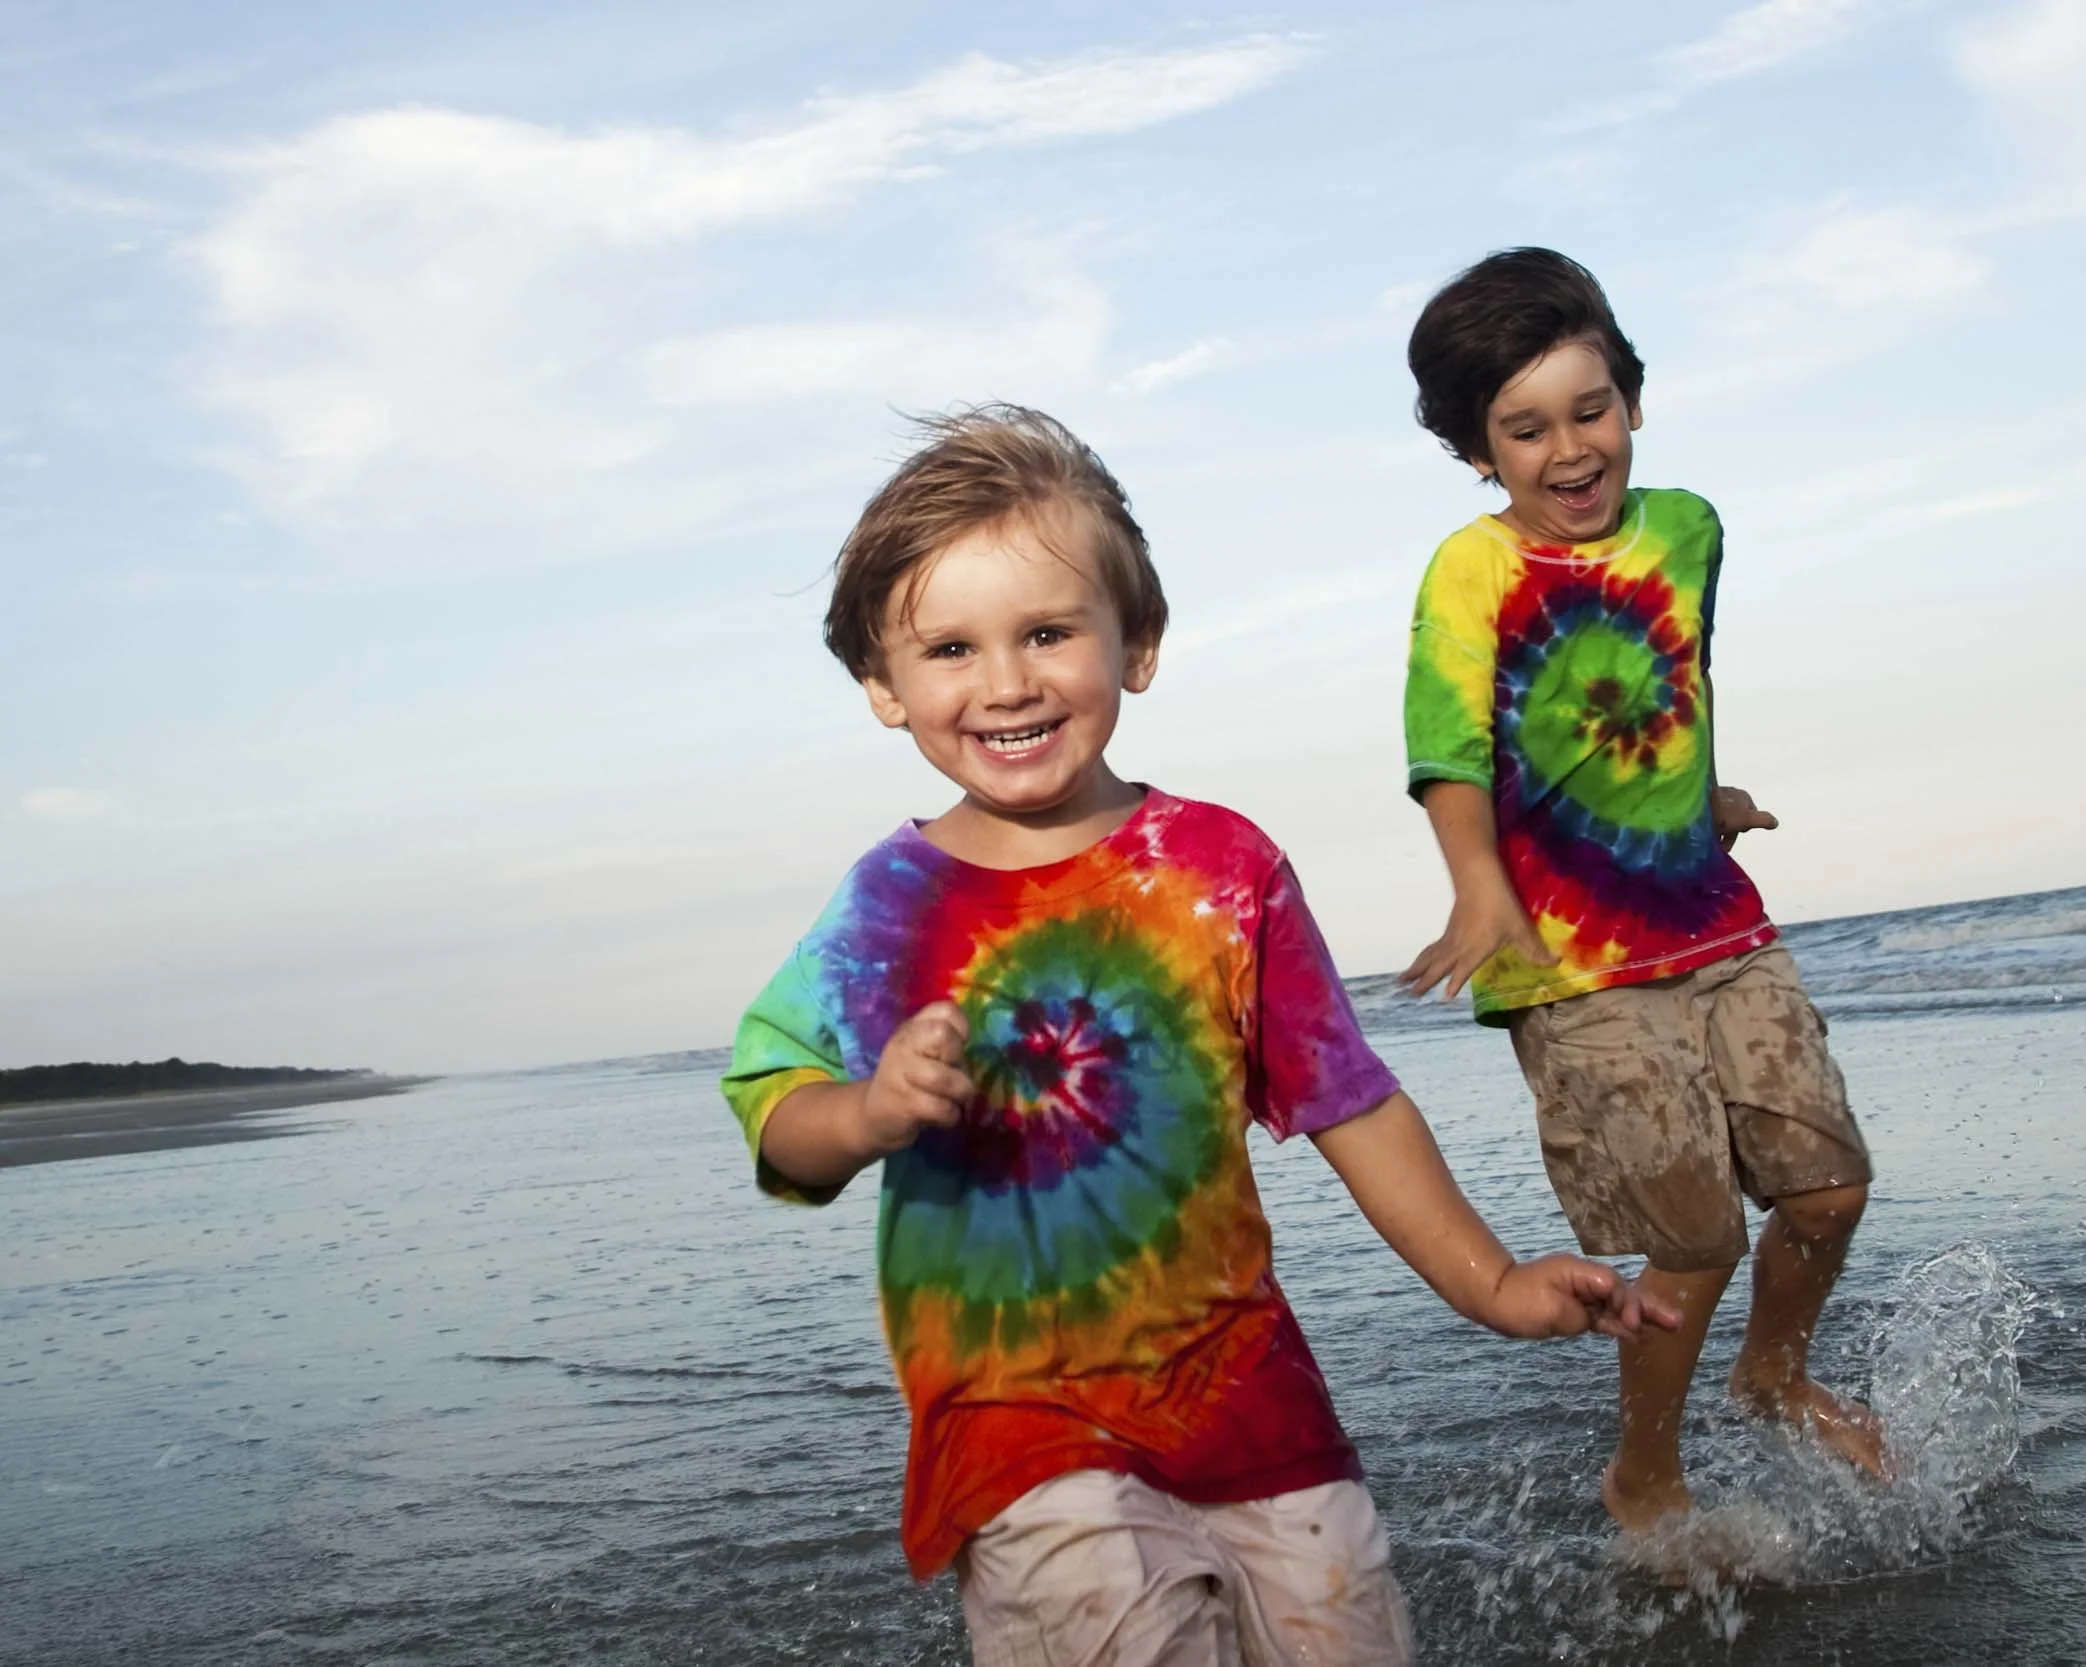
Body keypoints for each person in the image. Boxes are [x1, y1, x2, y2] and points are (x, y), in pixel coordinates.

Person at [720, 404, 1675, 1666]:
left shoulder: (1224, 868)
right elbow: (775, 1099)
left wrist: (1489, 1282)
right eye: (950, 647)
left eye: (1048, 632)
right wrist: (871, 1112)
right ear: (885, 690)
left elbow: (1351, 1101)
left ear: (1139, 643)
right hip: (1020, 1421)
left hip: (1250, 1398)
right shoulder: (887, 906)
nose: (1005, 681)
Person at [1395, 248, 1884, 1535]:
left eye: (1589, 407)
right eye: (1526, 427)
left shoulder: (1689, 528)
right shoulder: (1471, 571)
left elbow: (1679, 678)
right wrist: (1475, 889)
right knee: (1695, 1234)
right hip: (1566, 957)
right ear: (1477, 451)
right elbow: (1446, 749)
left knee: (1829, 1186)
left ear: (1632, 399)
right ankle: (1646, 1468)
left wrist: (1700, 793)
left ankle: (1773, 1374)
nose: (1568, 446)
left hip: (1708, 912)